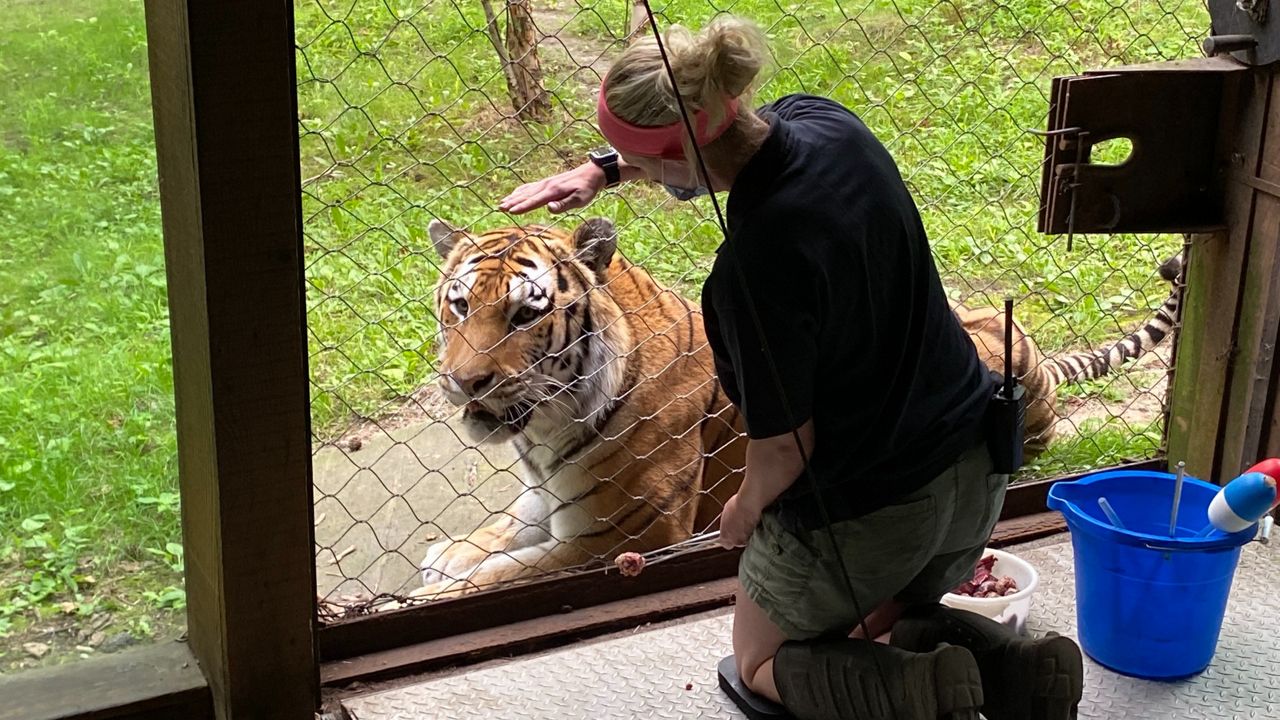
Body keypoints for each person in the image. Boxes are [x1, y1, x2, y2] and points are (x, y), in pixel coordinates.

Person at [499, 15, 1084, 720]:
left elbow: (785, 447)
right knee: (882, 614)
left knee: (758, 663)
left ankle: (910, 692)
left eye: (648, 169)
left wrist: (741, 512)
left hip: (880, 513)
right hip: (976, 471)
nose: (648, 181)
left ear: (680, 155)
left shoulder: (749, 273)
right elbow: (720, 137)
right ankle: (1010, 665)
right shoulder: (831, 125)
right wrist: (605, 168)